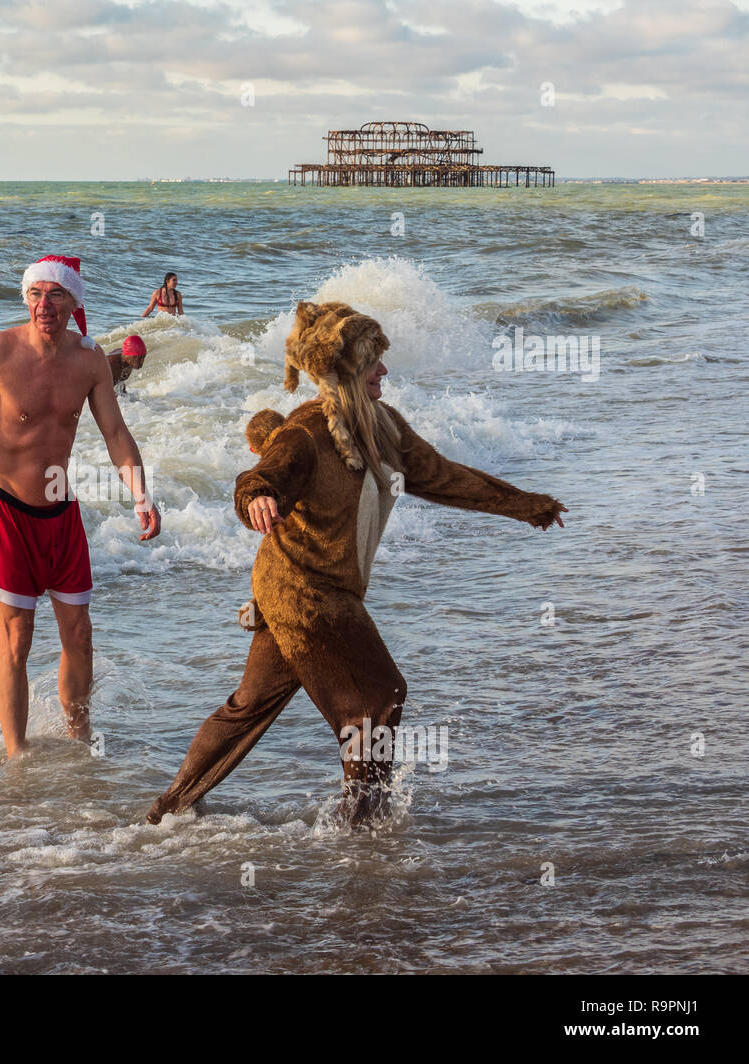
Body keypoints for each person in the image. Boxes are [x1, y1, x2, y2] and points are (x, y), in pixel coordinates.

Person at [147, 301, 567, 827]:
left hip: (305, 590)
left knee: (249, 707)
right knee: (378, 696)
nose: (384, 373)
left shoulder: (384, 426)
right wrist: (254, 496)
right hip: (304, 590)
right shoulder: (305, 432)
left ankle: (167, 813)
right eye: (373, 364)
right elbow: (261, 477)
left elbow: (440, 475)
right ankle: (362, 822)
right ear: (346, 371)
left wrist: (524, 504)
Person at [0, 254, 161, 759]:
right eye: (37, 294)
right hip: (5, 508)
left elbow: (115, 432)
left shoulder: (89, 361)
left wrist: (142, 495)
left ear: (73, 302)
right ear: (27, 299)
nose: (45, 305)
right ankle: (17, 756)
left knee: (79, 632)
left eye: (56, 295)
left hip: (60, 507)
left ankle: (79, 743)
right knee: (17, 635)